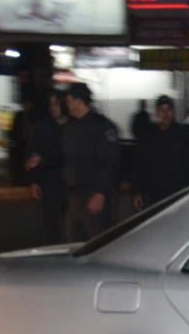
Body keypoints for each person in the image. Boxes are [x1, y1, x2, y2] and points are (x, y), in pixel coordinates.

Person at [59, 82, 120, 241]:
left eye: (69, 101)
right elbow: (65, 156)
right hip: (74, 195)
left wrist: (100, 193)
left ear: (78, 101)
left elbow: (110, 162)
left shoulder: (101, 126)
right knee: (74, 242)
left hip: (93, 195)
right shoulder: (70, 126)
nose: (67, 105)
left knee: (98, 242)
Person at [133, 95, 189, 210]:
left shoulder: (183, 134)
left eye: (168, 110)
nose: (165, 114)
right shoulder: (148, 135)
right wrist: (138, 191)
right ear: (156, 113)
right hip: (154, 194)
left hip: (178, 192)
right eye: (161, 110)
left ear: (173, 112)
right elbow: (140, 164)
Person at [25, 89, 69, 243]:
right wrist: (33, 181)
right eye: (51, 104)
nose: (53, 107)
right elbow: (32, 155)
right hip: (49, 182)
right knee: (51, 226)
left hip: (71, 183)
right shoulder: (42, 127)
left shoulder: (73, 126)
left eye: (56, 104)